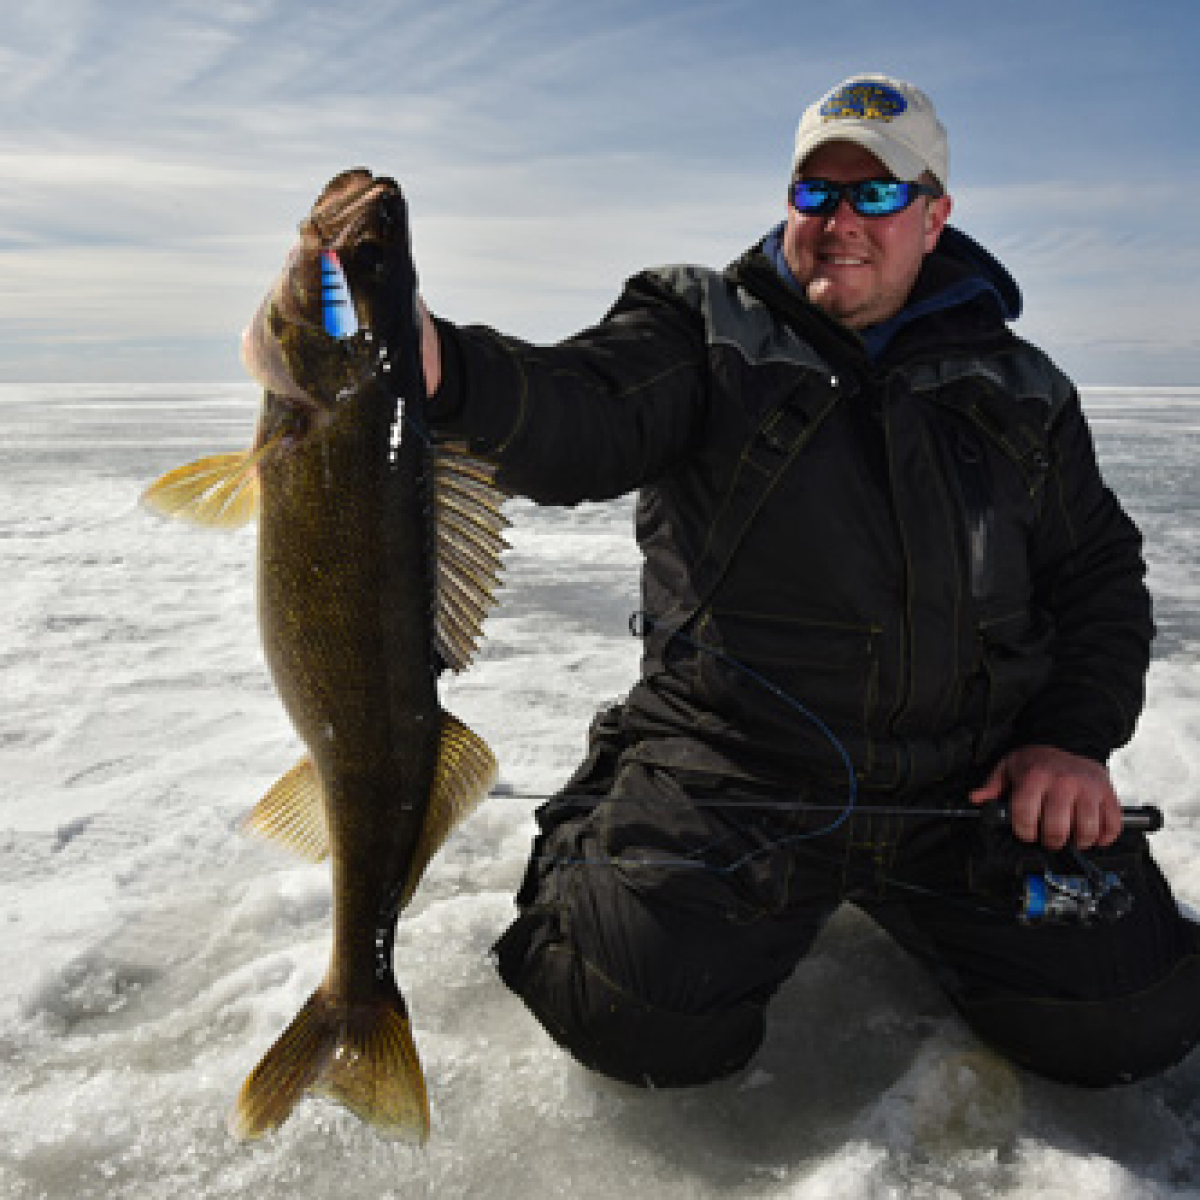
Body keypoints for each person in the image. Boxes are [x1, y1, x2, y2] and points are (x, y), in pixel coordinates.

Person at [411, 74, 1200, 1088]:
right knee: (633, 1014)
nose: (839, 221)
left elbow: (1097, 575)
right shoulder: (702, 330)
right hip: (738, 770)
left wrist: (1070, 739)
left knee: (1134, 1020)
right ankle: (597, 838)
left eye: (875, 195)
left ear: (933, 214)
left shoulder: (1021, 388)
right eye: (815, 191)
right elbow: (583, 411)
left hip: (964, 786)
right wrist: (441, 369)